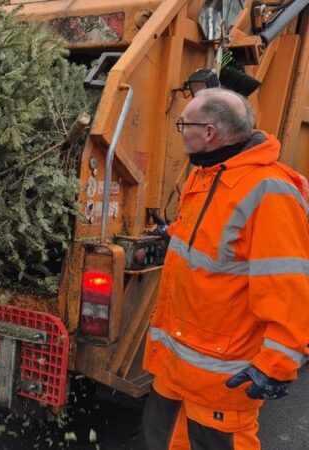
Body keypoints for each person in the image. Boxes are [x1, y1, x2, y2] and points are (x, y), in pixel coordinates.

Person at [141, 87, 309, 449]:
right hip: (175, 367)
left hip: (222, 378)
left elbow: (288, 286)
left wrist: (277, 363)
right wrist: (170, 236)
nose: (181, 131)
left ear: (209, 132)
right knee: (161, 439)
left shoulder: (270, 193)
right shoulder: (206, 175)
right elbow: (209, 237)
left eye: (184, 124)